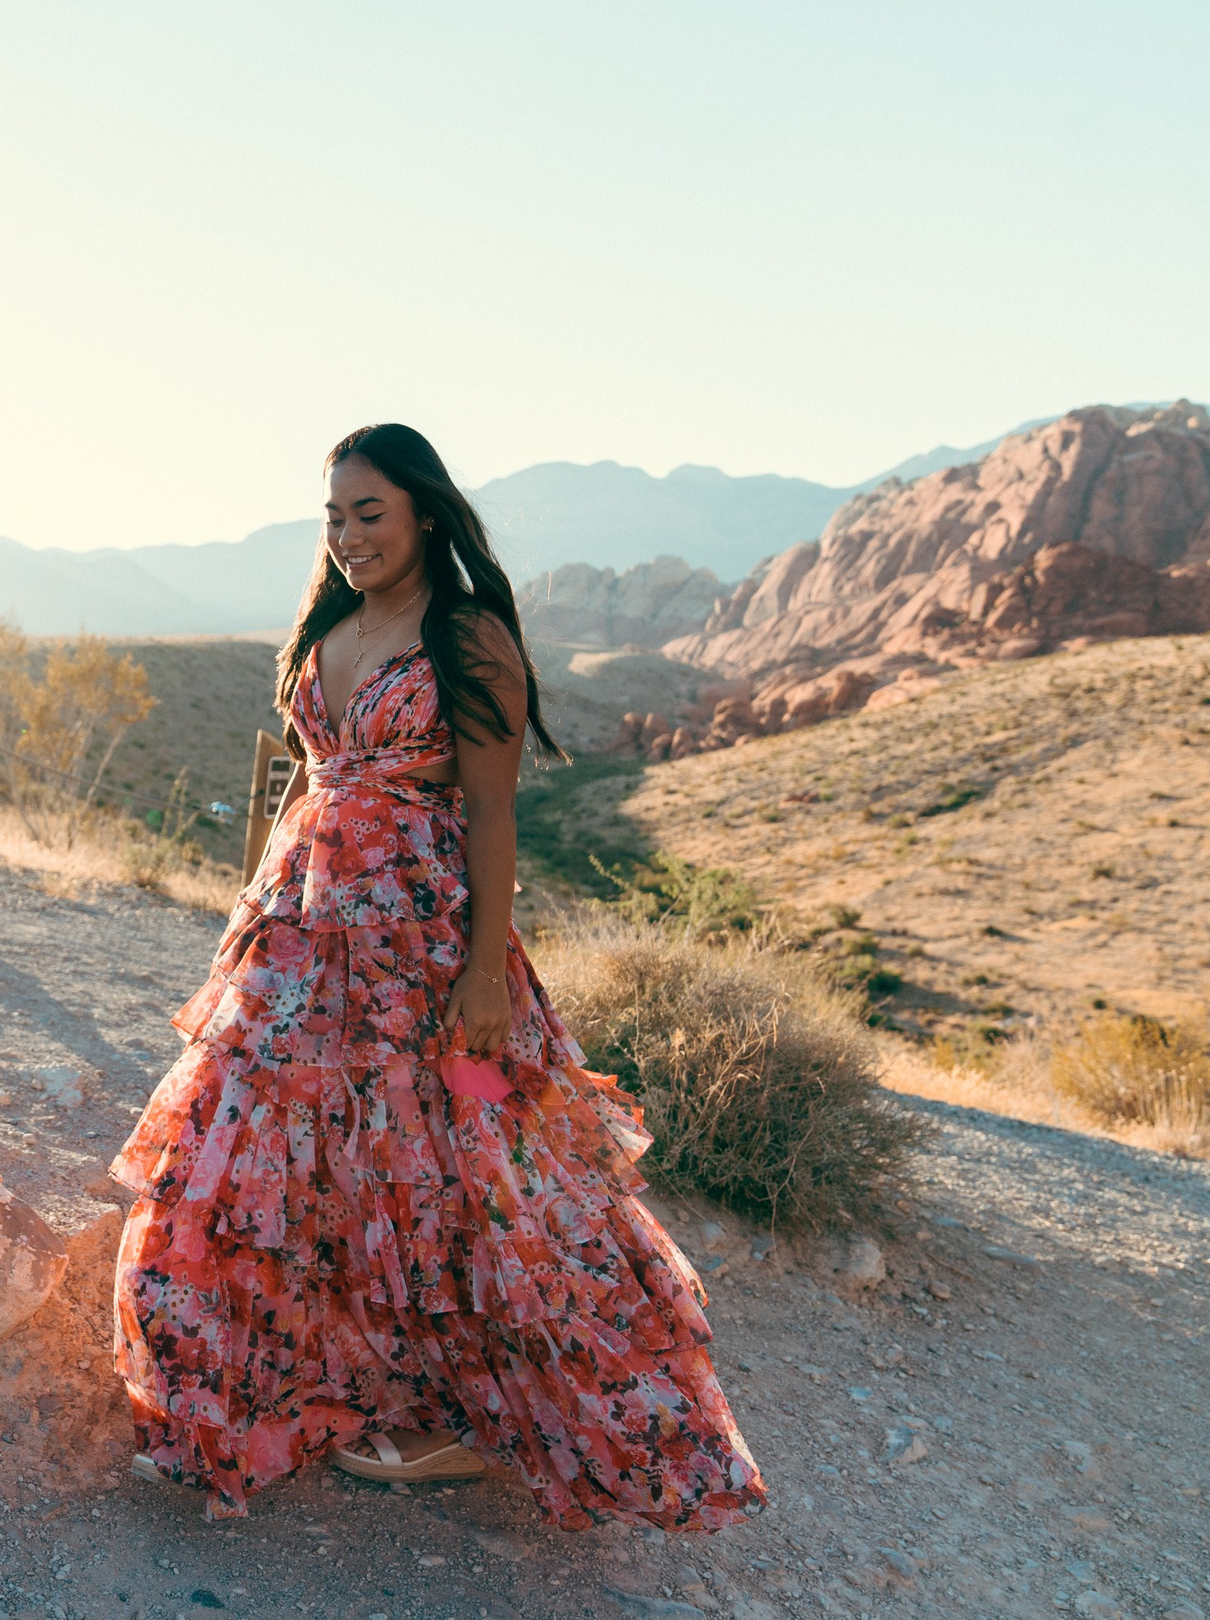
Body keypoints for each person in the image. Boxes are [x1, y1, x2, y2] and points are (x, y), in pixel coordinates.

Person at [107, 423, 765, 1530]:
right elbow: (308, 783)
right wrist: (256, 910)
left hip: (421, 937)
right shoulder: (330, 620)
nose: (351, 535)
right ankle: (278, 1389)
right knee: (263, 1154)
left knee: (450, 1174)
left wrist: (481, 978)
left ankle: (455, 1417)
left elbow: (493, 810)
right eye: (334, 516)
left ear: (423, 513)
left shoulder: (469, 636)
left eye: (371, 513)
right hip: (301, 933)